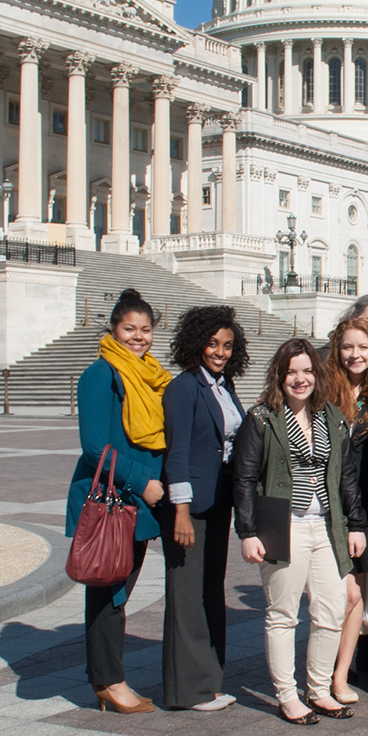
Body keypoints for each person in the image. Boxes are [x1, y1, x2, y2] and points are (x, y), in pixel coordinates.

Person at [231, 339, 368, 724]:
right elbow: (243, 477)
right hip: (282, 524)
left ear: (317, 374)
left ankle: (319, 689)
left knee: (331, 610)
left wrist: (356, 525)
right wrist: (247, 531)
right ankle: (288, 696)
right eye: (291, 371)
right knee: (283, 614)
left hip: (325, 525)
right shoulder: (261, 417)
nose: (300, 378)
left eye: (307, 370)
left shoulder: (331, 417)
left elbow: (347, 478)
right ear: (280, 375)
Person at [66, 289, 171, 714]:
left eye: (145, 330)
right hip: (115, 499)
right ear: (113, 328)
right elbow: (94, 447)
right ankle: (108, 680)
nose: (138, 337)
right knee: (108, 592)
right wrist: (144, 481)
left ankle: (109, 676)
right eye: (130, 328)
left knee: (119, 592)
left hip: (138, 503)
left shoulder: (149, 375)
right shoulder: (100, 374)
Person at [160, 305, 248, 711]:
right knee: (187, 596)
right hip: (190, 508)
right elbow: (176, 453)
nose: (220, 351)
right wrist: (180, 510)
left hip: (218, 502)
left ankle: (210, 679)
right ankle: (189, 690)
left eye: (227, 345)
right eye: (213, 343)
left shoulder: (224, 385)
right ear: (197, 343)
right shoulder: (183, 387)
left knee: (210, 591)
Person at [324, 318, 368, 703]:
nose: (355, 355)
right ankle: (328, 667)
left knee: (360, 591)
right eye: (348, 347)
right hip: (330, 505)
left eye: (363, 347)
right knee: (337, 592)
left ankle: (342, 672)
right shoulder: (326, 393)